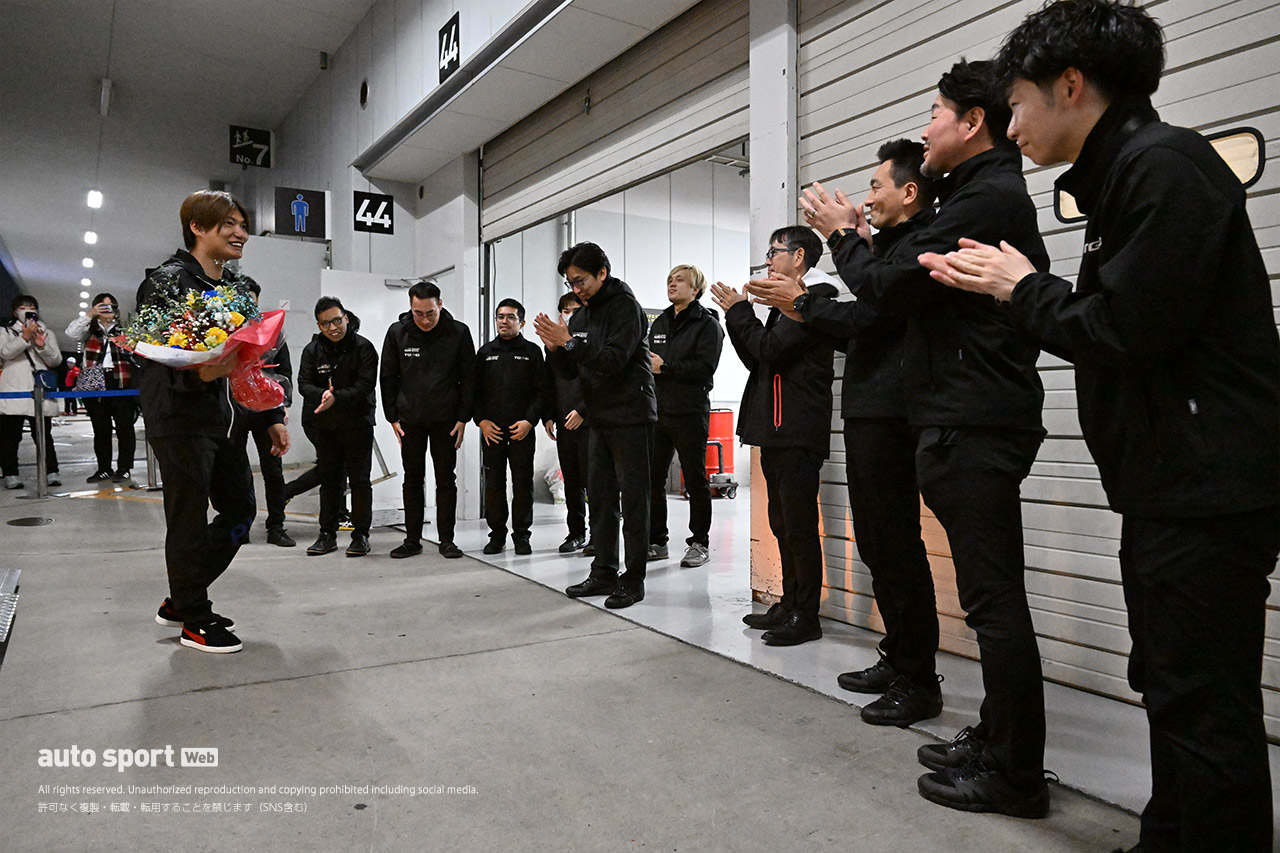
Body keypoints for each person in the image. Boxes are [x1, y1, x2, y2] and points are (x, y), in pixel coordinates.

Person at [919, 2, 1280, 847]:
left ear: (1071, 86)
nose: (1013, 125)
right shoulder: (1124, 179)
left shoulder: (1165, 169)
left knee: (1203, 706)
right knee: (1171, 687)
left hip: (1206, 490)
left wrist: (1018, 288)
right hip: (1170, 485)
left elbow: (1122, 329)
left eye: (1019, 104)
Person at [752, 60, 1051, 817]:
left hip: (973, 415)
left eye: (935, 112)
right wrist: (850, 246)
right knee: (980, 594)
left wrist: (834, 251)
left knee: (992, 600)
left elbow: (882, 296)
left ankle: (1014, 768)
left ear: (971, 121)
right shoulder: (972, 197)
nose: (927, 127)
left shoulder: (986, 197)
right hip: (952, 413)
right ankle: (994, 735)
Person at [760, 141, 942, 725]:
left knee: (896, 546)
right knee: (881, 544)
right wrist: (804, 304)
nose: (865, 199)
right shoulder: (884, 252)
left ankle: (919, 678)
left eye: (876, 186)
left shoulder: (916, 248)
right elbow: (859, 328)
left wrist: (808, 301)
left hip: (895, 414)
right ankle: (901, 659)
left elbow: (870, 314)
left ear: (909, 192)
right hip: (869, 413)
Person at [139, 189, 287, 654]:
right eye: (230, 224)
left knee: (241, 510)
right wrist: (201, 372)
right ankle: (194, 617)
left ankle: (183, 597)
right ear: (198, 228)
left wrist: (271, 417)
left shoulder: (235, 288)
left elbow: (248, 363)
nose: (241, 232)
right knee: (187, 517)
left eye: (244, 225)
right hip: (181, 420)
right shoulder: (166, 281)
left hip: (227, 421)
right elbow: (155, 354)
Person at [712, 227, 838, 646]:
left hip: (798, 429)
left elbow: (769, 350)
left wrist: (737, 310)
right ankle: (789, 602)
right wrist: (740, 316)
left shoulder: (815, 302)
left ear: (799, 256)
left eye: (774, 252)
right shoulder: (783, 306)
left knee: (799, 526)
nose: (768, 260)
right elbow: (758, 357)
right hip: (776, 429)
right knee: (782, 523)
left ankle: (807, 614)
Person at [533, 242, 656, 609]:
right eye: (571, 283)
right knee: (600, 498)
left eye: (581, 280)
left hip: (630, 415)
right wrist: (554, 350)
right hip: (598, 418)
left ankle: (633, 579)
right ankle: (603, 571)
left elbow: (613, 361)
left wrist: (568, 343)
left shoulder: (626, 309)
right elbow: (573, 371)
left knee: (633, 501)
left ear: (603, 273)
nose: (576, 289)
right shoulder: (582, 315)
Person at [380, 280, 475, 560]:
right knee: (413, 479)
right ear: (410, 308)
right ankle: (412, 539)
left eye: (429, 313)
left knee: (446, 479)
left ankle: (447, 539)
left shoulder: (458, 333)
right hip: (410, 420)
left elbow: (469, 378)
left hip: (447, 420)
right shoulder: (398, 333)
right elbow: (387, 376)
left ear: (440, 305)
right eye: (417, 313)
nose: (424, 320)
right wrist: (392, 417)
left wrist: (463, 417)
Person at [647, 264, 724, 569]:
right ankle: (657, 541)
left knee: (695, 479)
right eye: (670, 279)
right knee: (653, 478)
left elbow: (705, 368)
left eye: (680, 280)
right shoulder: (660, 322)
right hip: (658, 412)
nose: (672, 284)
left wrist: (666, 367)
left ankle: (699, 543)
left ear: (695, 290)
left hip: (690, 412)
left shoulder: (707, 324)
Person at [298, 297, 378, 558]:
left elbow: (365, 384)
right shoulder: (312, 350)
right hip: (326, 427)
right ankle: (326, 534)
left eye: (336, 320)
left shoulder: (364, 348)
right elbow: (303, 383)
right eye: (325, 324)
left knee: (360, 481)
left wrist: (337, 397)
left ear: (346, 317)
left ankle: (361, 535)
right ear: (319, 325)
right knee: (330, 481)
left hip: (358, 425)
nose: (333, 328)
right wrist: (322, 394)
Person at [474, 298, 546, 555]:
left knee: (522, 484)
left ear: (522, 322)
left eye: (510, 317)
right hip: (492, 431)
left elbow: (541, 392)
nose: (504, 321)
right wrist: (481, 422)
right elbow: (474, 393)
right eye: (500, 316)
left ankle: (522, 536)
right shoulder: (484, 353)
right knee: (494, 484)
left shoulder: (532, 352)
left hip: (522, 430)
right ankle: (497, 536)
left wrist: (530, 421)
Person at [230, 281, 295, 547]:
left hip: (266, 409)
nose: (248, 307)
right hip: (234, 409)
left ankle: (276, 525)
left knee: (273, 470)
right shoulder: (222, 332)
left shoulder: (272, 333)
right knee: (237, 470)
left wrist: (283, 407)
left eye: (252, 301)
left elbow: (285, 371)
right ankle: (240, 524)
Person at [64, 293, 138, 483]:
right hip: (94, 381)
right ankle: (104, 468)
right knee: (100, 428)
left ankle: (124, 468)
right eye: (102, 306)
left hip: (121, 379)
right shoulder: (89, 329)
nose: (107, 309)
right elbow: (71, 333)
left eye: (111, 305)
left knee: (125, 427)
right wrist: (89, 314)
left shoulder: (126, 328)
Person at [543, 292, 590, 554]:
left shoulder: (589, 341)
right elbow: (551, 381)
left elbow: (597, 380)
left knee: (594, 482)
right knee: (571, 479)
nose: (569, 314)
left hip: (590, 421)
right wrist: (549, 415)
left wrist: (583, 411)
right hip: (563, 422)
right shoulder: (556, 345)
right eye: (565, 310)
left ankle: (598, 534)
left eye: (574, 309)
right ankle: (576, 532)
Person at [1, 294, 62, 490]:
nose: (27, 309)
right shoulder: (5, 331)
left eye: (31, 306)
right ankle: (10, 473)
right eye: (22, 307)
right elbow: (5, 353)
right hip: (14, 391)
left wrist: (42, 346)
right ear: (15, 311)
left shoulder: (46, 332)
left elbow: (55, 361)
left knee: (44, 435)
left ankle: (51, 471)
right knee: (10, 437)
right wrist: (25, 337)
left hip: (40, 391)